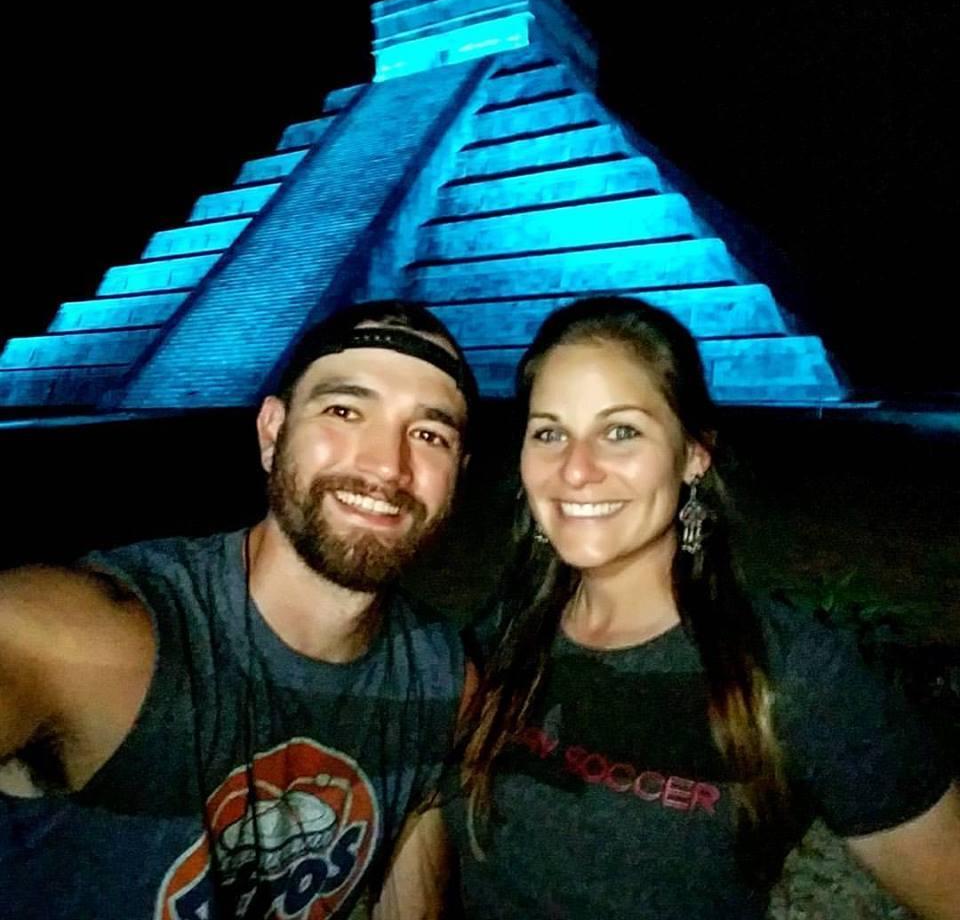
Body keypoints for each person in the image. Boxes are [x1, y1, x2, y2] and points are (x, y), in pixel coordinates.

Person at [448, 296, 959, 919]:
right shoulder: (498, 636)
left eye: (621, 431)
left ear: (694, 454)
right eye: (549, 432)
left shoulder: (795, 673)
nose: (575, 470)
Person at [0, 299, 478, 919]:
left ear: (458, 473)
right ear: (272, 432)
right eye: (343, 410)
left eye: (429, 434)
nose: (387, 465)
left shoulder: (443, 682)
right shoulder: (99, 642)